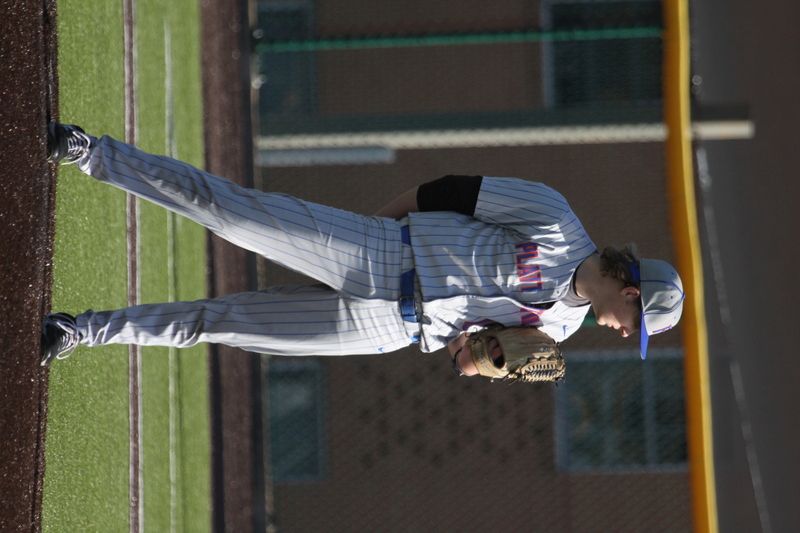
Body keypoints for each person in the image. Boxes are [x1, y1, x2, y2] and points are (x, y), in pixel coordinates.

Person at [41, 123, 685, 375]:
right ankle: (93, 152)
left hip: (384, 328)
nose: (625, 334)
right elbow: (443, 191)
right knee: (227, 211)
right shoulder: (554, 217)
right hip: (378, 251)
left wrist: (484, 360)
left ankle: (83, 331)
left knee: (223, 323)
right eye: (636, 326)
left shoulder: (560, 331)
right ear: (630, 292)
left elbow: (462, 358)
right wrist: (368, 234)